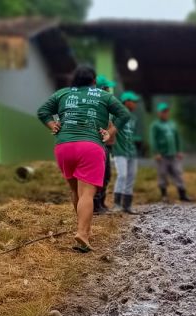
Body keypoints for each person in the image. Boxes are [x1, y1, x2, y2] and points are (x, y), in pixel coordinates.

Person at [37, 64, 132, 253]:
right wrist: (110, 131)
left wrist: (52, 125)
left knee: (76, 192)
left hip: (64, 146)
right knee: (87, 194)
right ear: (94, 81)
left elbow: (42, 112)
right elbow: (124, 114)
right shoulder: (103, 95)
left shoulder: (62, 94)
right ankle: (83, 233)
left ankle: (83, 228)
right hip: (90, 146)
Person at [150, 102, 193, 203]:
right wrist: (156, 152)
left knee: (178, 172)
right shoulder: (155, 125)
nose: (165, 113)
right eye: (163, 111)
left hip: (173, 154)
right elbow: (153, 139)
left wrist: (179, 150)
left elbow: (177, 138)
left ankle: (182, 194)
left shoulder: (172, 124)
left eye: (166, 111)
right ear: (159, 113)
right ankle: (164, 195)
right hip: (162, 155)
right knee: (162, 174)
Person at [112, 90, 141, 214]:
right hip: (120, 150)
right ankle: (117, 204)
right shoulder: (116, 115)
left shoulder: (133, 117)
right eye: (133, 101)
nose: (135, 104)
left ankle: (127, 205)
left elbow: (131, 134)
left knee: (131, 177)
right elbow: (111, 131)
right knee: (122, 175)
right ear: (126, 102)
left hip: (131, 151)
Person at [93, 74, 117, 215]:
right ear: (101, 88)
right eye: (107, 88)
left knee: (106, 175)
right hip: (99, 145)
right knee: (100, 175)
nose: (109, 90)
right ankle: (96, 205)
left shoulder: (106, 104)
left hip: (107, 145)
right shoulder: (97, 105)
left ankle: (101, 202)